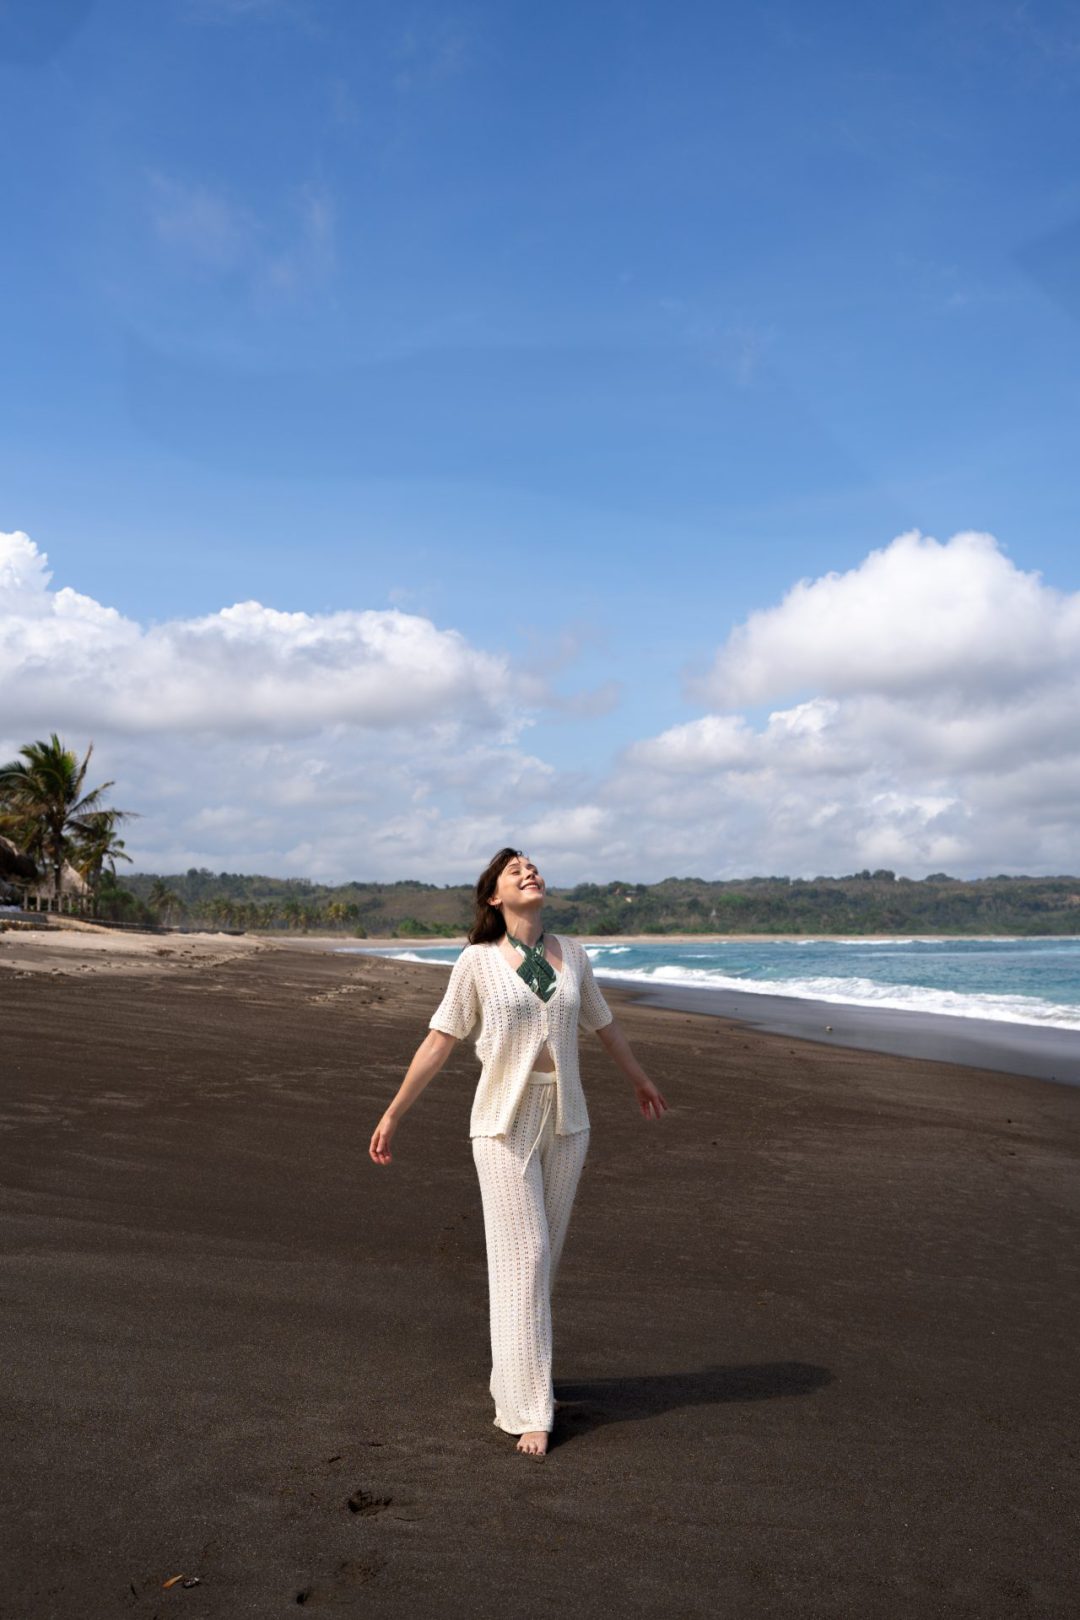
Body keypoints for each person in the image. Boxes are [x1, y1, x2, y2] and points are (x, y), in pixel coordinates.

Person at [368, 847, 669, 1459]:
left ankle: (514, 1376)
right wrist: (395, 1111)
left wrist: (639, 1078)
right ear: (493, 897)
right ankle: (532, 1407)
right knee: (525, 1253)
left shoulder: (571, 956)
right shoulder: (478, 961)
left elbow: (603, 1024)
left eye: (532, 866)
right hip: (502, 1123)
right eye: (515, 870)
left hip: (567, 1120)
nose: (529, 872)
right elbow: (439, 1040)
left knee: (541, 1260)